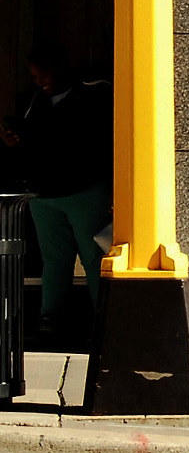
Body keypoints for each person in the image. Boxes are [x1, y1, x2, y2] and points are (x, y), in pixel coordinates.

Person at [0, 42, 112, 339]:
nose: (41, 83)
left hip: (83, 189)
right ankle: (50, 316)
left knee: (93, 257)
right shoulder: (34, 99)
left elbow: (97, 136)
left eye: (44, 76)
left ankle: (104, 318)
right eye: (36, 77)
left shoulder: (95, 91)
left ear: (62, 69)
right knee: (55, 259)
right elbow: (29, 141)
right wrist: (14, 141)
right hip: (44, 194)